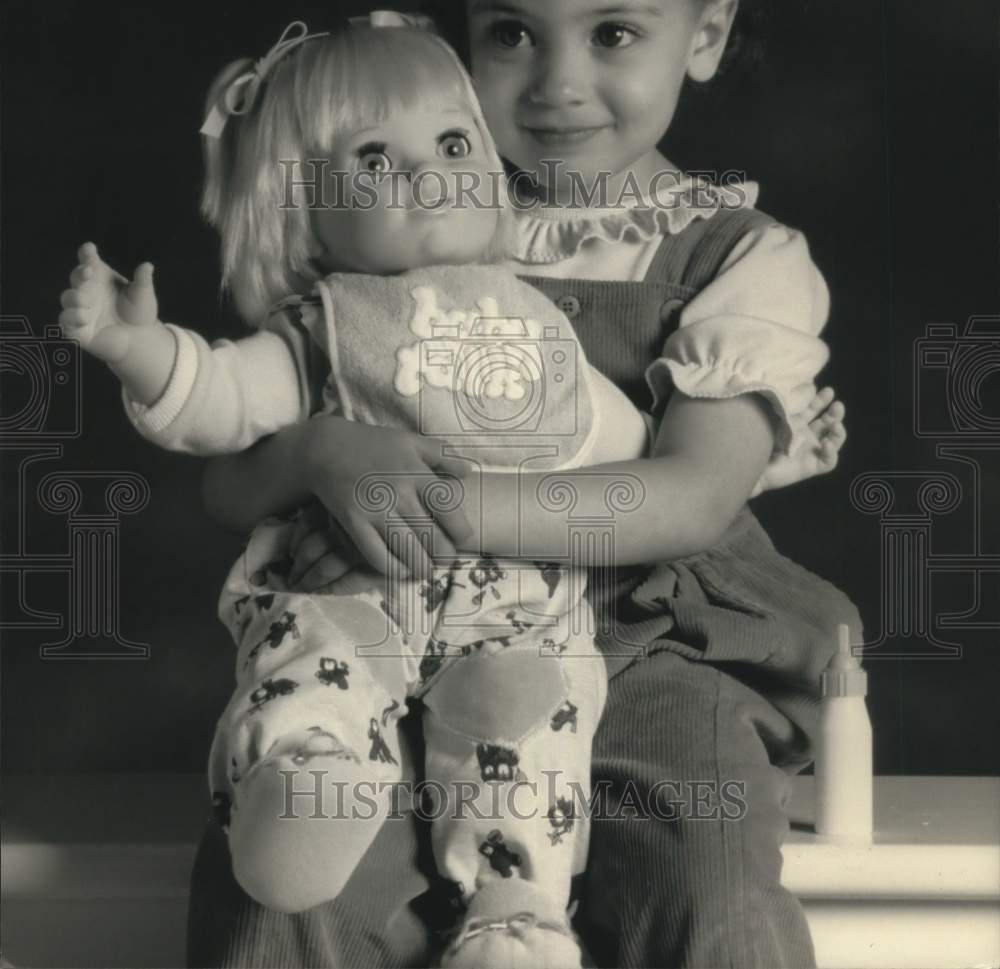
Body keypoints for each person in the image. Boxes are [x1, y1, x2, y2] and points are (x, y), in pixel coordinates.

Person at [182, 3, 860, 967]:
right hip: (403, 626)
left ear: (705, 36)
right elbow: (228, 486)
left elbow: (692, 497)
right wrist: (321, 455)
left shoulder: (741, 257)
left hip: (655, 633)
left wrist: (440, 506)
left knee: (696, 868)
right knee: (301, 873)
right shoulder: (403, 204)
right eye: (511, 33)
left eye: (612, 33)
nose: (557, 84)